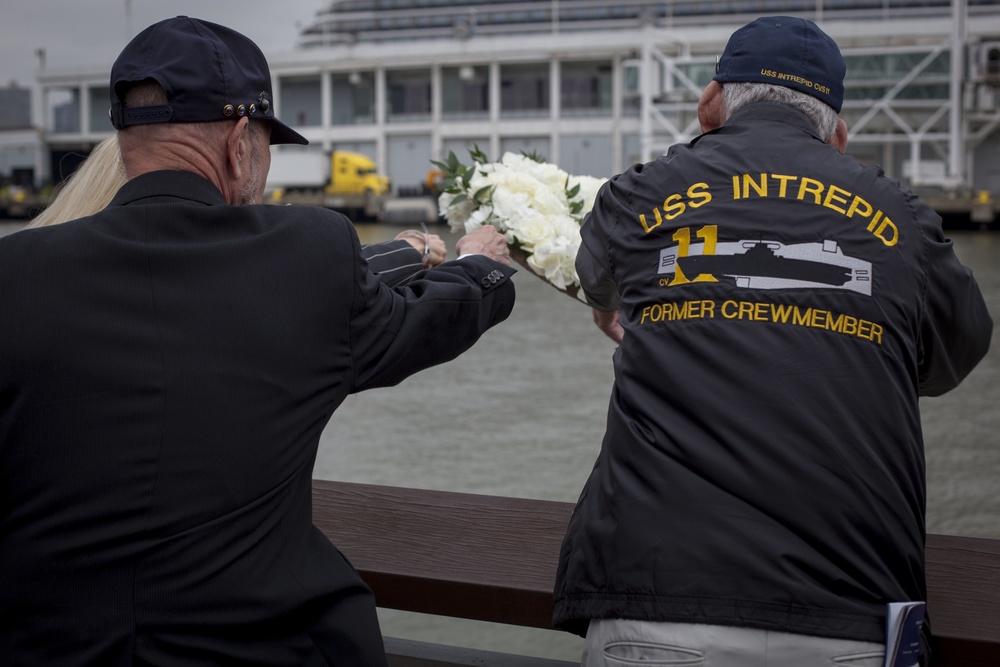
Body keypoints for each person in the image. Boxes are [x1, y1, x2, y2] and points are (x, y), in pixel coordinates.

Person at [0, 16, 514, 666]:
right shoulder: (309, 252)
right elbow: (425, 319)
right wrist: (481, 264)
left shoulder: (15, 274)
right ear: (241, 143)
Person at [555, 16, 992, 667]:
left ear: (711, 103)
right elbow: (956, 350)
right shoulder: (902, 218)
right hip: (853, 618)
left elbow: (595, 278)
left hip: (657, 604)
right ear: (838, 134)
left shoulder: (638, 194)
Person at [28, 135, 447, 285]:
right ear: (239, 146)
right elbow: (304, 280)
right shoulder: (216, 286)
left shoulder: (27, 276)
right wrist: (416, 252)